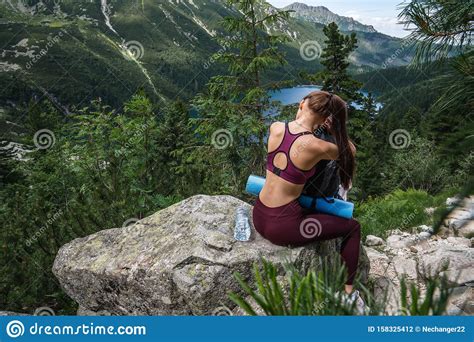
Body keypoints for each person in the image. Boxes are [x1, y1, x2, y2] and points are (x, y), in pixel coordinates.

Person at [252, 90, 368, 313]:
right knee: (353, 228)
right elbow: (350, 151)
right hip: (282, 228)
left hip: (259, 215)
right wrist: (333, 128)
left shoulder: (276, 127)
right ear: (326, 118)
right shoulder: (317, 146)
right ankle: (348, 294)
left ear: (303, 104)